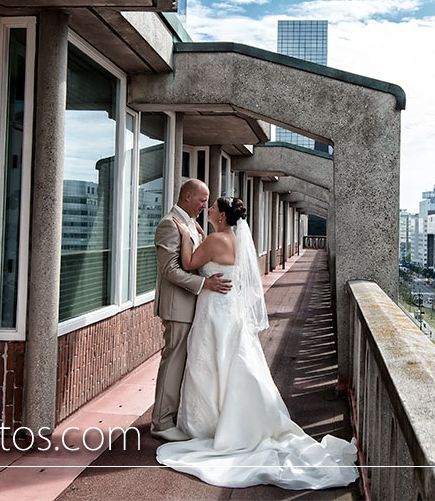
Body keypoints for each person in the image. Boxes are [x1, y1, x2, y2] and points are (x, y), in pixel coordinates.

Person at [156, 197, 358, 489]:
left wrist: (186, 234)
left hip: (214, 310)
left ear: (222, 216)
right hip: (229, 310)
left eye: (212, 208)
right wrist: (196, 234)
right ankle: (230, 417)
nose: (208, 209)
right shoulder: (232, 238)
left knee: (209, 364)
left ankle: (207, 423)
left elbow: (187, 263)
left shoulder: (215, 240)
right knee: (229, 362)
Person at [151, 179, 230, 441]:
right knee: (172, 362)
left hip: (193, 306)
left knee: (183, 363)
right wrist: (204, 283)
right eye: (202, 200)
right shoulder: (169, 224)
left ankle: (171, 416)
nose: (205, 205)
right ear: (187, 197)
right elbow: (169, 270)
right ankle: (161, 423)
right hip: (178, 307)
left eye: (208, 201)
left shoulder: (191, 225)